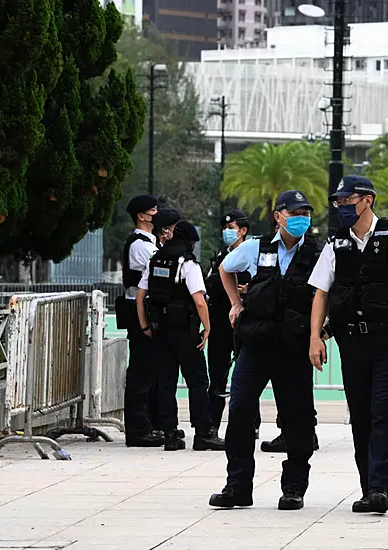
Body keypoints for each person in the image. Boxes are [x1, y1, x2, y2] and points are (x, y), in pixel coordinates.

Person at [308, 176, 388, 515]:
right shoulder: (335, 245)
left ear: (367, 200)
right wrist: (314, 337)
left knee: (383, 411)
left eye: (347, 200)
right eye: (338, 202)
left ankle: (379, 487)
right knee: (361, 415)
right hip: (352, 341)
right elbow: (321, 292)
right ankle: (368, 485)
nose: (341, 207)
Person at [209, 190, 320, 511]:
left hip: (294, 346)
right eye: (295, 212)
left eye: (306, 213)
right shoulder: (257, 246)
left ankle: (294, 487)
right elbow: (226, 269)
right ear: (279, 216)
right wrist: (235, 303)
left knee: (297, 420)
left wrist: (319, 332)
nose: (302, 219)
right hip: (256, 342)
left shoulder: (317, 252)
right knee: (241, 410)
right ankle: (238, 485)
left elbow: (327, 291)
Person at [136, 220, 225, 452]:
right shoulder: (188, 263)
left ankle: (170, 434)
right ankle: (203, 432)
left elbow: (140, 296)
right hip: (185, 331)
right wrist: (207, 327)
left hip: (159, 330)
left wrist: (145, 326)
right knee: (197, 381)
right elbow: (199, 300)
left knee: (166, 383)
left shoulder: (155, 260)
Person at [205, 209, 257, 439]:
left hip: (244, 325)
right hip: (220, 324)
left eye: (231, 228)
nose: (227, 232)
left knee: (248, 377)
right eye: (225, 228)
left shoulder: (254, 256)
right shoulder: (220, 258)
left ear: (243, 231)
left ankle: (250, 425)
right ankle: (212, 425)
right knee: (217, 377)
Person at [118, 194, 163, 447]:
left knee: (150, 372)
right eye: (152, 211)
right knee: (140, 373)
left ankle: (149, 424)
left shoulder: (150, 242)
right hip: (139, 314)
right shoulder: (139, 245)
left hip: (146, 312)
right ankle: (138, 429)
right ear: (142, 216)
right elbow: (149, 279)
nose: (156, 214)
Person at [148, 207, 182, 435]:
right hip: (168, 324)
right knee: (161, 378)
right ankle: (159, 425)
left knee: (164, 379)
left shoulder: (159, 253)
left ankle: (164, 425)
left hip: (160, 323)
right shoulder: (168, 257)